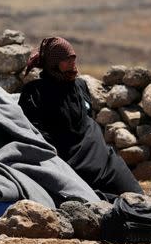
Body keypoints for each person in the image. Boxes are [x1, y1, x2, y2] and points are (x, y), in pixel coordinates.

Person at [18, 37, 143, 197]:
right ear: (53, 64)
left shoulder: (80, 86)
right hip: (72, 164)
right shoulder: (35, 93)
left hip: (105, 161)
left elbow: (86, 120)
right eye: (66, 60)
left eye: (73, 58)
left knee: (138, 199)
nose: (72, 63)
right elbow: (35, 134)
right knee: (101, 203)